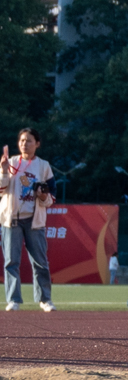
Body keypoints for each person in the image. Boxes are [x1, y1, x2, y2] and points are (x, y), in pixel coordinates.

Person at [0, 129, 55, 312]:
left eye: (29, 141)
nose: (24, 144)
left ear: (37, 143)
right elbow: (1, 189)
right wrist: (4, 171)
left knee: (40, 261)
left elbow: (51, 196)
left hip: (34, 221)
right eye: (22, 140)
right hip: (11, 219)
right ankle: (13, 300)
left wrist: (42, 196)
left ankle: (45, 299)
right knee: (11, 262)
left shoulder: (43, 166)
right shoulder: (11, 162)